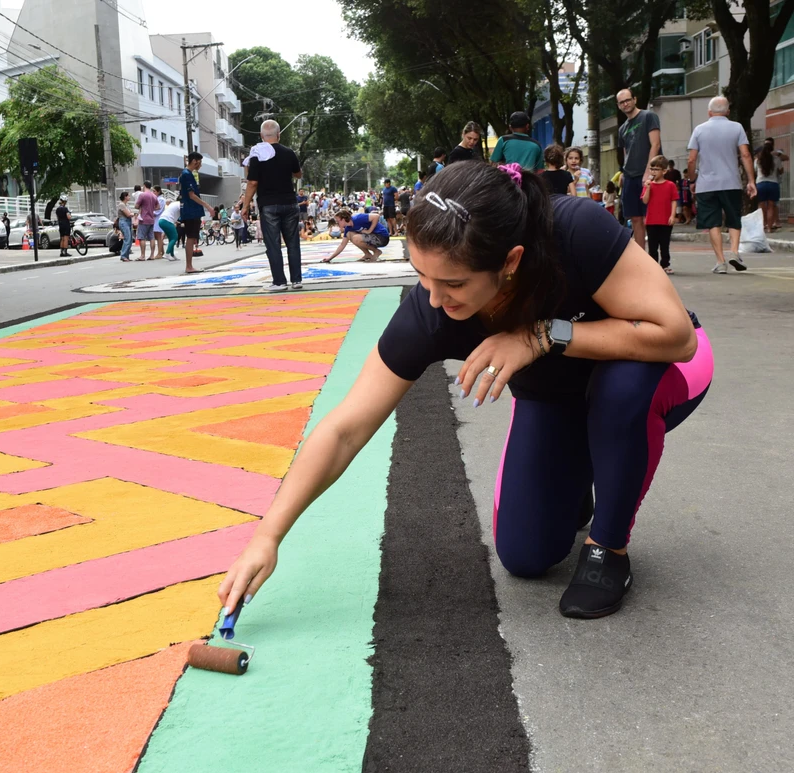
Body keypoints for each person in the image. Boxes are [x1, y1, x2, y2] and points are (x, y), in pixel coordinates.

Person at [217, 161, 712, 621]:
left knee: (621, 390)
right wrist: (268, 535)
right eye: (421, 275)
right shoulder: (430, 310)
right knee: (526, 556)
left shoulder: (573, 229)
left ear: (511, 261)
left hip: (658, 368)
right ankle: (578, 476)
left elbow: (676, 337)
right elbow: (346, 428)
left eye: (453, 283)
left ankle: (608, 547)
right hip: (559, 399)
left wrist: (540, 336)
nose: (435, 298)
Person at [687, 95, 756, 274]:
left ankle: (720, 262)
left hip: (706, 184)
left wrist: (692, 180)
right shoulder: (737, 127)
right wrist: (751, 181)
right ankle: (734, 252)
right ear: (728, 112)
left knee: (713, 222)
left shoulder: (699, 130)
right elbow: (745, 155)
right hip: (731, 182)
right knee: (734, 219)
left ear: (709, 112)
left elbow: (691, 159)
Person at [240, 119, 304, 291]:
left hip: (268, 204)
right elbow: (298, 174)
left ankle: (279, 282)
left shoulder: (257, 155)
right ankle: (296, 280)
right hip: (289, 202)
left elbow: (252, 182)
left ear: (261, 136)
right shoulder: (289, 152)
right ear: (279, 135)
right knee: (292, 243)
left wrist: (245, 206)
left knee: (273, 244)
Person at [616, 88, 662, 249]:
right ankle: (641, 256)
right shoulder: (622, 129)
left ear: (634, 99)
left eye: (627, 100)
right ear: (619, 106)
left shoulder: (648, 116)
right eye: (621, 102)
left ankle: (656, 256)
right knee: (635, 218)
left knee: (651, 218)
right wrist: (623, 173)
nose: (625, 104)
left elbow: (655, 144)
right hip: (630, 176)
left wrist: (649, 172)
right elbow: (626, 153)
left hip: (648, 175)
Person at [642, 154, 679, 274]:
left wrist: (672, 215)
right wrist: (648, 188)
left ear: (664, 171)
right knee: (652, 245)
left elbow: (674, 200)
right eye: (651, 169)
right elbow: (645, 200)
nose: (653, 172)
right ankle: (653, 265)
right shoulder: (648, 185)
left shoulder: (670, 185)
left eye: (656, 169)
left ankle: (665, 264)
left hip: (665, 220)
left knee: (664, 244)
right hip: (651, 220)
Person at [180, 153, 215, 273]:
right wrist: (208, 206)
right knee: (190, 237)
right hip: (191, 211)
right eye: (200, 162)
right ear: (195, 161)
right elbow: (192, 195)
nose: (201, 165)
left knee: (192, 237)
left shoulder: (188, 174)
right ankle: (189, 266)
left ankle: (189, 266)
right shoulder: (186, 174)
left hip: (192, 210)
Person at [322, 206, 390, 263]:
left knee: (356, 238)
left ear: (343, 219)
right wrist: (330, 258)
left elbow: (376, 216)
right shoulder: (348, 228)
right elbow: (342, 245)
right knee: (350, 234)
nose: (337, 224)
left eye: (338, 221)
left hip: (382, 237)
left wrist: (369, 230)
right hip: (374, 237)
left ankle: (376, 251)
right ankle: (367, 254)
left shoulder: (358, 218)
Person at [754, 142, 782, 233]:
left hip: (761, 184)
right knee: (771, 206)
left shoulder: (758, 160)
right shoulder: (776, 159)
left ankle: (763, 225)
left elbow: (755, 171)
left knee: (762, 207)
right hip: (773, 184)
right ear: (772, 149)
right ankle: (769, 228)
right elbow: (781, 170)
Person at [134, 180, 159, 261]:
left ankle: (142, 255)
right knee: (152, 237)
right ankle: (152, 255)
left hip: (143, 219)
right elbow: (158, 207)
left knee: (142, 237)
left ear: (144, 186)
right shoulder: (154, 196)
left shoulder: (142, 195)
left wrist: (143, 207)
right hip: (151, 219)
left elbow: (136, 206)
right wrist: (151, 208)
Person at [116, 191, 135, 262]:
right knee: (127, 238)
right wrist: (132, 214)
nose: (129, 197)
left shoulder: (127, 205)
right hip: (124, 222)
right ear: (125, 197)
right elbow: (128, 214)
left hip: (128, 222)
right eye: (128, 196)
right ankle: (123, 255)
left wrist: (131, 214)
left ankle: (127, 255)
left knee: (130, 239)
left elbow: (130, 213)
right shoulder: (121, 205)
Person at [151, 185, 166, 258]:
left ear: (158, 191)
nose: (153, 192)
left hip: (158, 218)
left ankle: (159, 253)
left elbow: (158, 211)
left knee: (159, 236)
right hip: (155, 219)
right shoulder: (156, 199)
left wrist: (150, 212)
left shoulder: (161, 199)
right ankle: (162, 251)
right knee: (157, 236)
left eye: (154, 191)